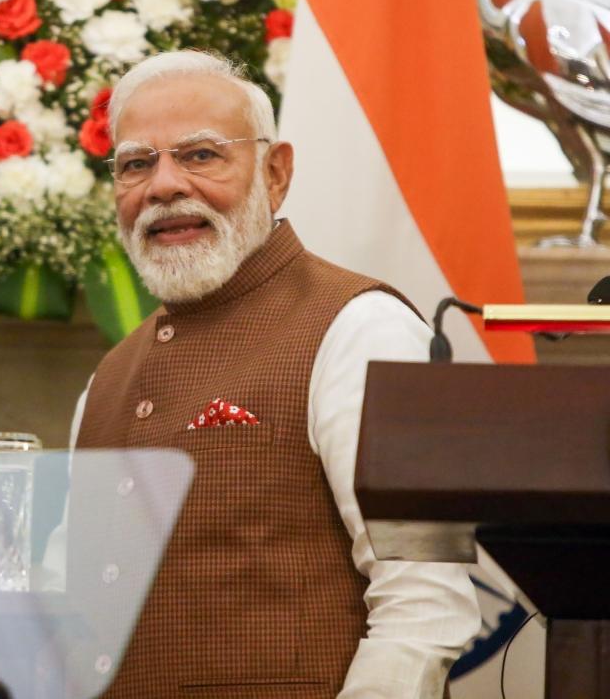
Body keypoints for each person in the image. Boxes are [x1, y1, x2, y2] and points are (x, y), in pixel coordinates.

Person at [63, 50, 480, 698]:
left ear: (276, 172)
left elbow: (425, 602)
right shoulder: (107, 379)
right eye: (136, 164)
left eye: (201, 154)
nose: (163, 185)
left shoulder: (363, 327)